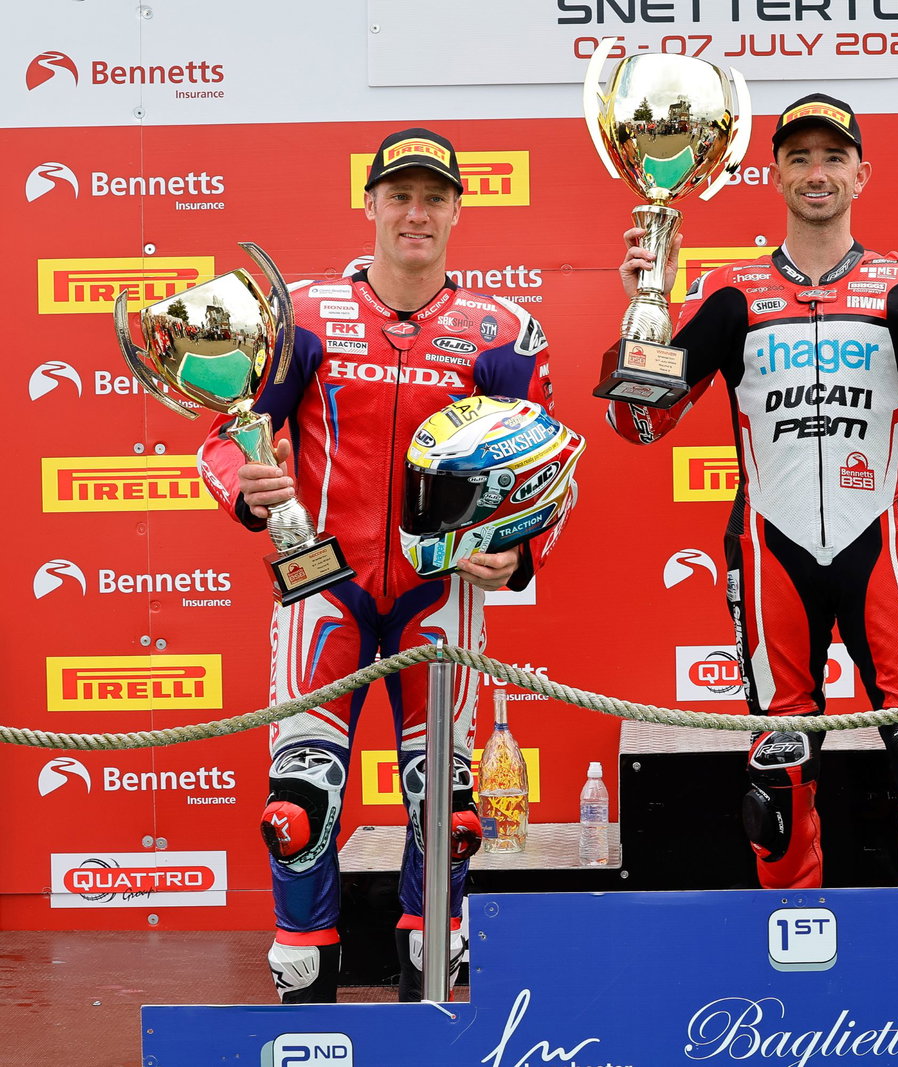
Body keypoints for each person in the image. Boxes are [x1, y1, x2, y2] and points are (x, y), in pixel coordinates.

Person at [610, 94, 898, 889]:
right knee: (777, 775)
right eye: (799, 157)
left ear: (861, 173)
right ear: (772, 172)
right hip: (767, 549)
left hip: (882, 545)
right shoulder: (730, 292)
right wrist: (646, 306)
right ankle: (795, 950)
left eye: (833, 157)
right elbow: (639, 427)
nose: (816, 172)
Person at [198, 127, 567, 1003]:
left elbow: (548, 467)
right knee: (300, 808)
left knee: (447, 812)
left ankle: (430, 993)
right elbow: (225, 430)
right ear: (369, 204)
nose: (415, 213)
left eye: (433, 198)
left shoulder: (502, 333)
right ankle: (305, 995)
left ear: (457, 211)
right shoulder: (304, 314)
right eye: (399, 195)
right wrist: (241, 484)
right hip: (321, 586)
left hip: (437, 592)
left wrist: (520, 552)